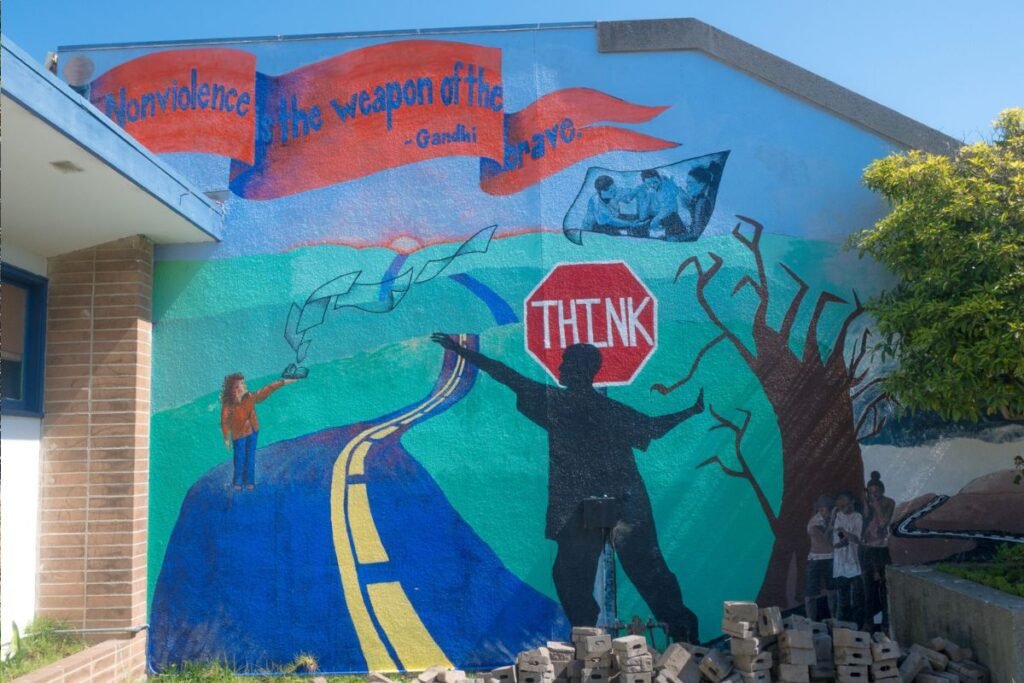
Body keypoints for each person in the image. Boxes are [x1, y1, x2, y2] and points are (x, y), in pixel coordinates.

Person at [430, 333, 705, 641]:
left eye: (565, 363)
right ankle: (649, 634)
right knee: (605, 573)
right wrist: (690, 412)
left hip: (605, 502)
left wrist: (460, 350)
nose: (560, 368)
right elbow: (653, 428)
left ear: (577, 369)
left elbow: (508, 375)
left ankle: (606, 636)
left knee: (591, 575)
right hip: (610, 500)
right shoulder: (599, 408)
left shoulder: (558, 403)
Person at [220, 373, 298, 491]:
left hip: (253, 431)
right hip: (239, 435)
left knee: (250, 457)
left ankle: (249, 482)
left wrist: (284, 382)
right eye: (242, 383)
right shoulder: (228, 406)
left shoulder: (249, 397)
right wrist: (226, 438)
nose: (245, 385)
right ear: (235, 388)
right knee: (239, 459)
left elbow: (267, 389)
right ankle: (237, 483)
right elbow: (225, 422)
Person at [861, 471, 895, 631]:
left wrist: (876, 506)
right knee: (868, 589)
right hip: (867, 548)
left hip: (881, 548)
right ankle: (869, 622)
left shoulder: (889, 502)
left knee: (883, 588)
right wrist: (867, 505)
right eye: (871, 492)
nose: (874, 495)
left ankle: (886, 623)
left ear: (882, 491)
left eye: (877, 492)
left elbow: (882, 523)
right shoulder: (865, 504)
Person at [831, 491, 865, 626]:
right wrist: (841, 541)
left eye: (846, 505)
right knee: (842, 599)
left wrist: (844, 533)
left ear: (852, 502)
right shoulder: (838, 517)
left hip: (854, 563)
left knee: (856, 599)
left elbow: (856, 539)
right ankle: (843, 627)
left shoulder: (857, 517)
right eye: (841, 506)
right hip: (841, 564)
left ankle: (857, 626)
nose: (844, 508)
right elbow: (838, 540)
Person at [804, 495, 837, 620]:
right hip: (816, 560)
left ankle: (834, 619)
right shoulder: (814, 523)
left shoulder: (833, 519)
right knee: (810, 594)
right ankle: (811, 621)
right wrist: (832, 521)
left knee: (832, 592)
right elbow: (826, 540)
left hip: (831, 558)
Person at [636, 170, 686, 240]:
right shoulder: (642, 190)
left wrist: (657, 219)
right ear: (644, 183)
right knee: (637, 226)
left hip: (667, 216)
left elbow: (669, 208)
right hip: (653, 216)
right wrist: (649, 197)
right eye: (649, 183)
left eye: (655, 182)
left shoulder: (666, 187)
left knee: (671, 218)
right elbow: (642, 216)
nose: (652, 185)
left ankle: (675, 237)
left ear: (659, 179)